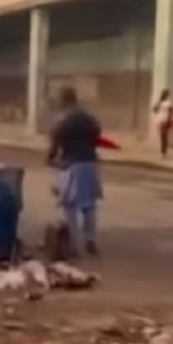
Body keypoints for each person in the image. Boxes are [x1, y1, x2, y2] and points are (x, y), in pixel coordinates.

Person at [48, 86, 104, 257]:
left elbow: (54, 147)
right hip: (90, 163)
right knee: (89, 205)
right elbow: (96, 135)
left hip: (72, 166)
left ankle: (73, 244)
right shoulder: (89, 118)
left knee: (70, 206)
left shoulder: (62, 122)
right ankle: (90, 239)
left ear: (63, 101)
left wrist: (50, 159)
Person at [151, 89, 173, 158]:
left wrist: (159, 111)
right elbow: (172, 110)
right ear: (167, 96)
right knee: (165, 136)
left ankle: (163, 152)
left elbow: (154, 109)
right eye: (168, 95)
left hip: (160, 120)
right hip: (165, 120)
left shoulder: (160, 102)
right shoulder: (167, 103)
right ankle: (164, 152)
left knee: (163, 136)